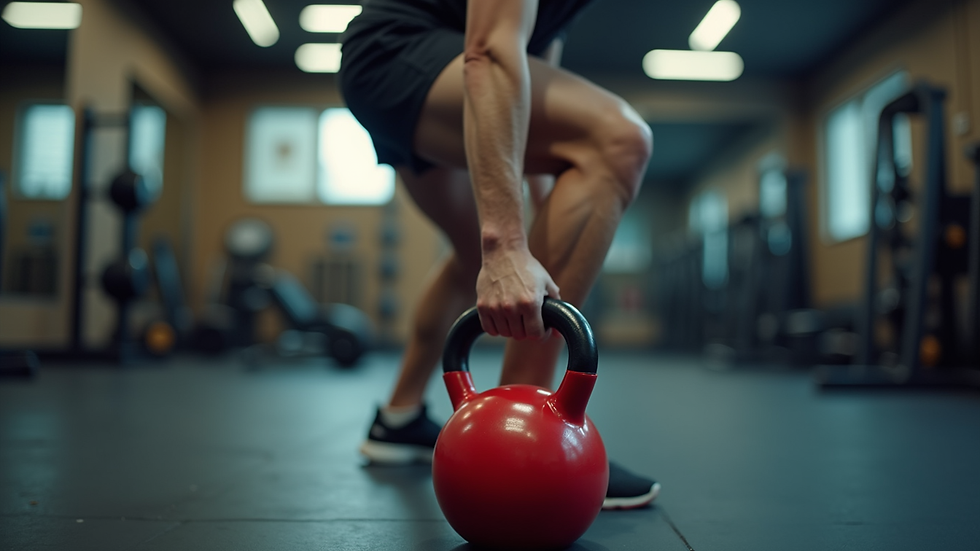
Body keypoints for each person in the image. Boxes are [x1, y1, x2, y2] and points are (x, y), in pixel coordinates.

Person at [339, 0, 660, 509]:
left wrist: (530, 223)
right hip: (404, 56)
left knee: (471, 259)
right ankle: (521, 434)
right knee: (618, 140)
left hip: (412, 67)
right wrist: (507, 244)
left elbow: (534, 70)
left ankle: (396, 418)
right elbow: (490, 52)